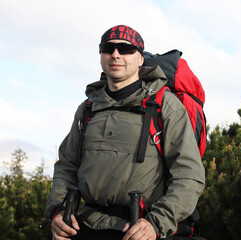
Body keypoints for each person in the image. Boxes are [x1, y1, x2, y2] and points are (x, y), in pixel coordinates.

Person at [45, 25, 205, 240]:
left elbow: (189, 175)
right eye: (108, 48)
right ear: (101, 56)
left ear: (140, 59)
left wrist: (155, 223)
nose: (115, 55)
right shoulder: (88, 108)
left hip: (140, 228)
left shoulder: (165, 105)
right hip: (87, 225)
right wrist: (57, 212)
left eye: (125, 49)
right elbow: (67, 166)